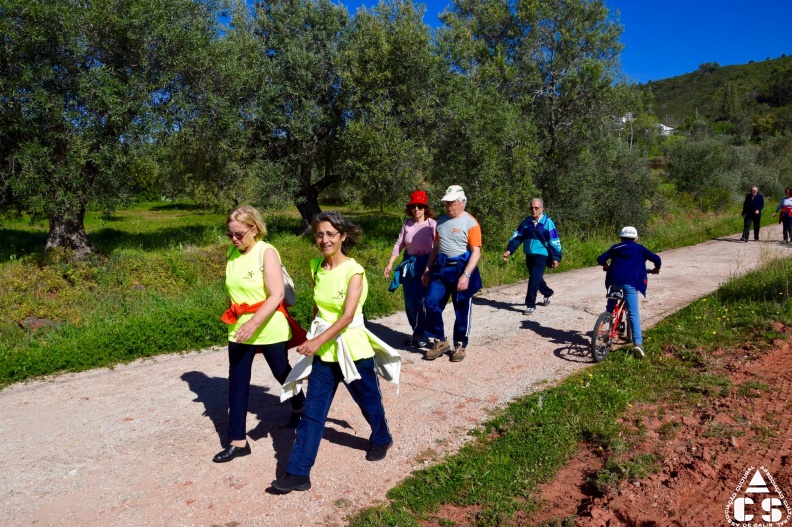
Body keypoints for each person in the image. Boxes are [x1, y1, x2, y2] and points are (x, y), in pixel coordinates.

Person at [271, 211, 400, 493]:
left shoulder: (354, 271)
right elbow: (319, 305)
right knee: (313, 414)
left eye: (331, 234)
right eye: (320, 234)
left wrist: (314, 341)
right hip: (325, 355)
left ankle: (382, 438)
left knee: (369, 402)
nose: (324, 239)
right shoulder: (316, 265)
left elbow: (346, 316)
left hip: (353, 350)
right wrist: (313, 332)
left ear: (343, 236)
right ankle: (298, 473)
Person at [215, 205, 306, 463]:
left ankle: (300, 405)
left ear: (254, 229)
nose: (234, 239)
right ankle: (237, 441)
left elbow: (276, 294)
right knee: (237, 382)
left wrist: (253, 323)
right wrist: (243, 323)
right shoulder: (233, 252)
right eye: (230, 234)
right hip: (239, 326)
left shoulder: (266, 252)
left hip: (267, 323)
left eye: (239, 234)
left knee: (281, 371)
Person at [421, 185, 482, 363]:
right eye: (447, 203)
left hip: (461, 269)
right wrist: (427, 269)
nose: (448, 206)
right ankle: (440, 340)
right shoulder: (441, 221)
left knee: (461, 308)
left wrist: (466, 275)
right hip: (440, 268)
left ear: (462, 202)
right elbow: (436, 247)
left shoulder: (471, 223)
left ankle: (460, 344)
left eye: (452, 202)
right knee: (431, 303)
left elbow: (475, 251)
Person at [596, 226, 661, 359]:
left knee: (611, 303)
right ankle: (638, 343)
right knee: (633, 313)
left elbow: (601, 258)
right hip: (630, 282)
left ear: (621, 238)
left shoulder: (616, 248)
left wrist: (606, 265)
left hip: (614, 280)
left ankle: (608, 318)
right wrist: (656, 268)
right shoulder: (640, 248)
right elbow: (656, 259)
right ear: (636, 238)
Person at [384, 190, 437, 348]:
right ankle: (416, 331)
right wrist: (390, 263)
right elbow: (399, 243)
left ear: (425, 208)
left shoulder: (431, 225)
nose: (417, 209)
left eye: (420, 206)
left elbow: (439, 246)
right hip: (409, 264)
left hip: (425, 264)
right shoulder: (407, 223)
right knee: (408, 301)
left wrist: (433, 266)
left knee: (418, 299)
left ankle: (422, 333)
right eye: (414, 206)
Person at [502, 198, 562, 316]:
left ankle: (530, 304)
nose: (533, 210)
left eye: (536, 208)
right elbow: (517, 237)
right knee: (537, 278)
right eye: (531, 208)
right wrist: (509, 250)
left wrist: (556, 257)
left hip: (542, 255)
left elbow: (554, 241)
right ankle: (548, 292)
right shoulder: (526, 222)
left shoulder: (547, 222)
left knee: (534, 278)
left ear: (542, 209)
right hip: (529, 254)